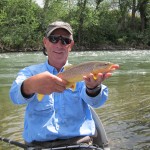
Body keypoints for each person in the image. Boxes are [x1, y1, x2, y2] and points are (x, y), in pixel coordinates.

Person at [9, 21, 111, 148]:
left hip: (79, 144)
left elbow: (97, 102)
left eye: (65, 41)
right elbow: (14, 97)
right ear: (45, 42)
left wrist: (93, 88)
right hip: (39, 146)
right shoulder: (30, 72)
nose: (59, 44)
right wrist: (30, 85)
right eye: (54, 39)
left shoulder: (83, 72)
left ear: (71, 45)